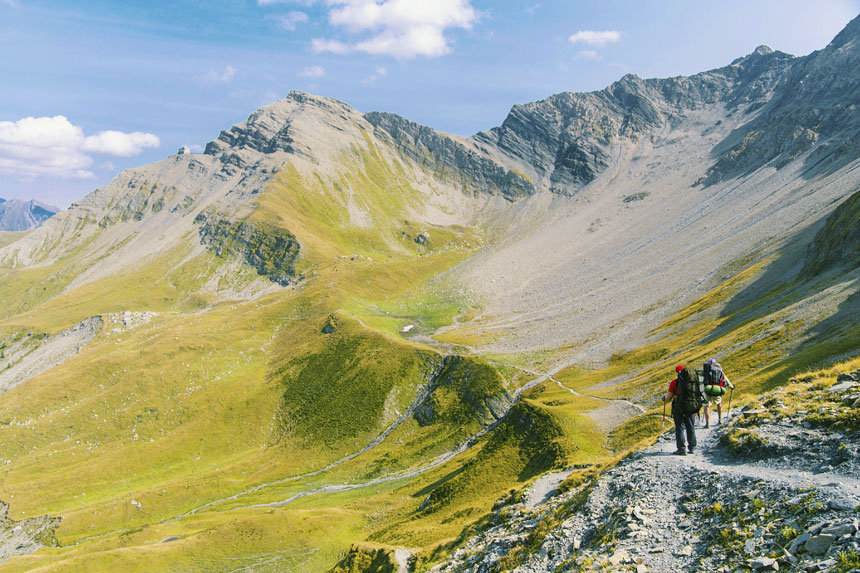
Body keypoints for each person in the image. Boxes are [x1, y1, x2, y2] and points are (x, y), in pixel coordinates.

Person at [663, 365, 697, 456]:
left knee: (680, 427)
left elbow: (669, 397)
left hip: (678, 407)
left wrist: (665, 400)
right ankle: (692, 447)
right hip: (690, 406)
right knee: (691, 426)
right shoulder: (693, 382)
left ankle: (682, 449)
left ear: (677, 373)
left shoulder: (674, 382)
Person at [702, 357, 735, 427]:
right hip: (717, 389)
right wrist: (731, 386)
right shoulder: (719, 369)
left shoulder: (706, 370)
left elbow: (701, 379)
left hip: (707, 389)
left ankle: (707, 424)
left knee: (706, 407)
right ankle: (720, 420)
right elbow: (725, 378)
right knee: (719, 404)